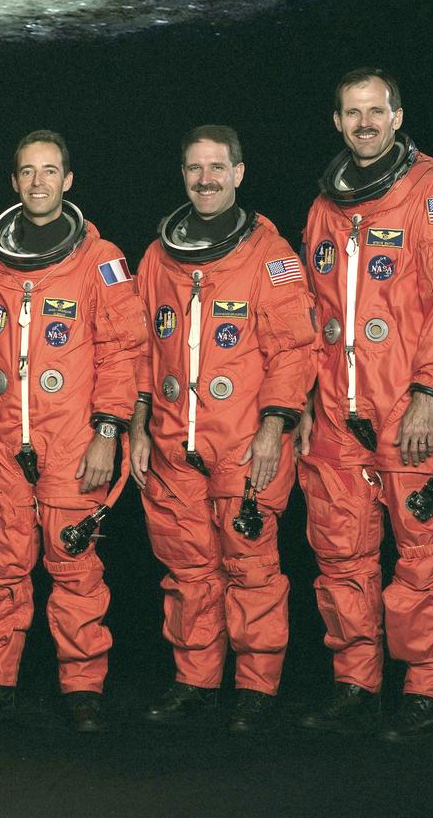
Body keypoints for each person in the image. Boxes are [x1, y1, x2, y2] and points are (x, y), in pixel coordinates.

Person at [296, 68, 433, 741]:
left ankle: (427, 687)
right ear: (337, 121)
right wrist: (303, 406)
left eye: (377, 111)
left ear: (398, 116)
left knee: (420, 553)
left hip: (409, 406)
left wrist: (430, 393)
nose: (365, 123)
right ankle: (355, 683)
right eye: (353, 113)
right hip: (337, 414)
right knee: (341, 553)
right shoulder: (325, 207)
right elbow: (313, 317)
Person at [0, 131, 148, 732]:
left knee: (76, 569)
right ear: (14, 182)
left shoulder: (100, 258)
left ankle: (83, 688)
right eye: (27, 172)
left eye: (49, 171)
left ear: (69, 181)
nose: (38, 182)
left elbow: (124, 352)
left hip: (73, 442)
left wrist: (108, 432)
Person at [129, 125, 317, 733]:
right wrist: (135, 428)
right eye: (193, 169)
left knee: (251, 568)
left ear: (239, 173)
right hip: (171, 442)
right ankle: (195, 681)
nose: (204, 180)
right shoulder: (158, 257)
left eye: (217, 168)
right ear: (183, 175)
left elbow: (293, 350)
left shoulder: (271, 255)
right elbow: (139, 353)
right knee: (187, 570)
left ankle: (256, 687)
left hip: (244, 440)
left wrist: (273, 428)